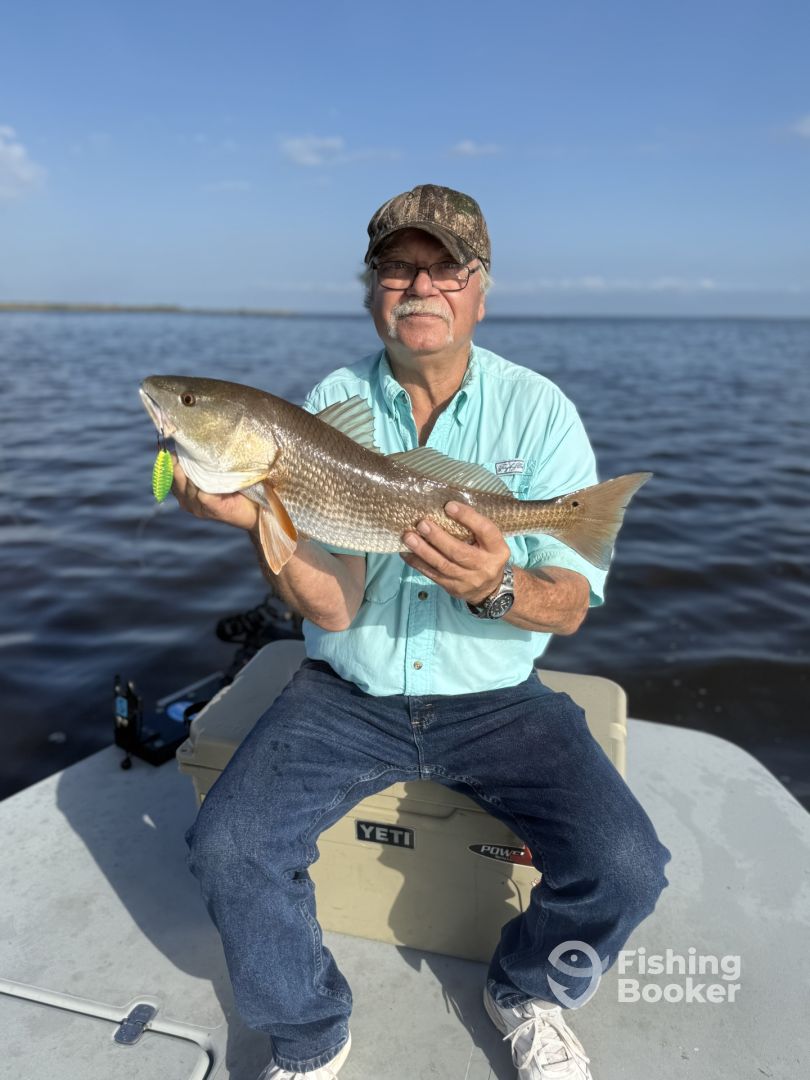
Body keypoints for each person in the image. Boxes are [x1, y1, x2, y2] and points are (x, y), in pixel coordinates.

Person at [175, 184, 672, 1080]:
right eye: (398, 267)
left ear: (481, 288)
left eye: (447, 268)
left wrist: (496, 586)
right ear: (372, 289)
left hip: (496, 699)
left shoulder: (540, 410)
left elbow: (569, 603)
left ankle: (527, 990)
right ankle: (309, 1033)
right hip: (348, 694)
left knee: (627, 864)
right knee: (229, 845)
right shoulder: (331, 402)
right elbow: (333, 609)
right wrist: (259, 518)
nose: (421, 286)